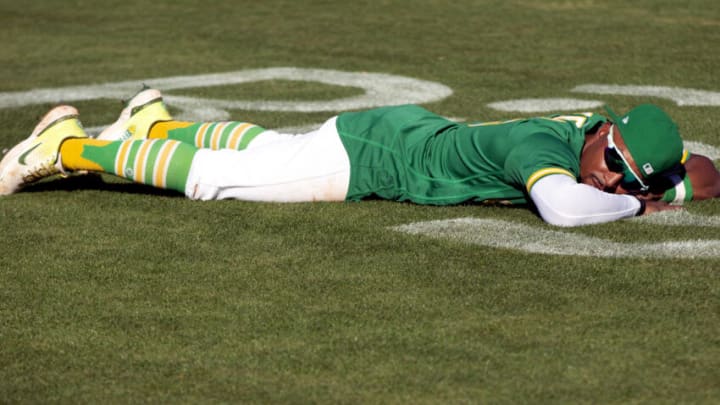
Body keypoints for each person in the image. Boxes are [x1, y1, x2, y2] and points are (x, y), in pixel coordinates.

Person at [1, 88, 718, 227]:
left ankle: (153, 127)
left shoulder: (598, 138)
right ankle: (65, 146)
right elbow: (563, 208)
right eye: (615, 162)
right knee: (221, 182)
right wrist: (634, 202)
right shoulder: (542, 148)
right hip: (374, 161)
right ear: (604, 131)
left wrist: (676, 184)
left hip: (394, 132)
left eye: (630, 176)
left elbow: (705, 169)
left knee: (266, 148)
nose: (612, 177)